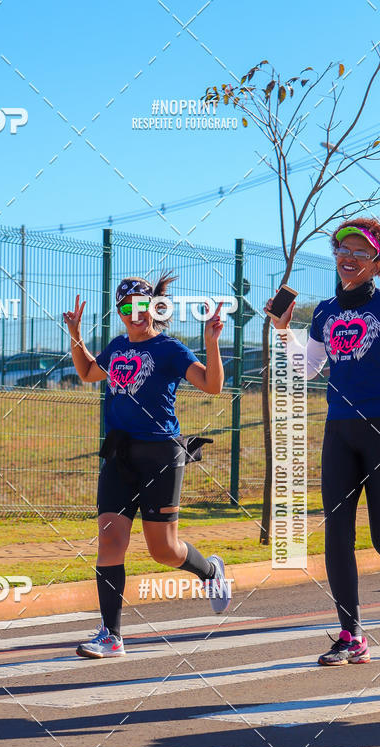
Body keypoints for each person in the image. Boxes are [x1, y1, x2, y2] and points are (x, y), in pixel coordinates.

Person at [62, 272, 230, 659]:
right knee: (111, 539)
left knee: (164, 550)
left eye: (142, 306)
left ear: (154, 307)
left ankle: (210, 572)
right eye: (126, 308)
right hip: (120, 455)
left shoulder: (170, 348)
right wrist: (76, 335)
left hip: (161, 455)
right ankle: (111, 635)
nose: (134, 314)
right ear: (120, 311)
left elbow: (212, 385)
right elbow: (88, 373)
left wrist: (211, 343)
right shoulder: (118, 345)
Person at [266, 216, 380, 666]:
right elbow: (307, 368)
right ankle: (351, 635)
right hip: (339, 431)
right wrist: (282, 330)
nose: (348, 259)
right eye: (342, 251)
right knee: (337, 535)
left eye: (360, 253)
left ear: (375, 263)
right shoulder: (327, 312)